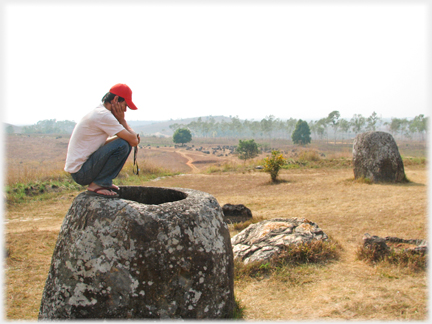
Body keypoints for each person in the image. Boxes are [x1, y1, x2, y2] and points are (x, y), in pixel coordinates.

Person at [64, 83, 141, 198]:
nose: (125, 110)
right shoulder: (103, 115)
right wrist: (122, 120)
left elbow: (131, 139)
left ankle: (104, 182)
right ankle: (98, 184)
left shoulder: (100, 112)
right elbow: (134, 141)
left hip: (80, 171)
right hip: (81, 173)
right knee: (123, 145)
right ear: (115, 100)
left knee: (122, 141)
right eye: (125, 105)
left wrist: (127, 136)